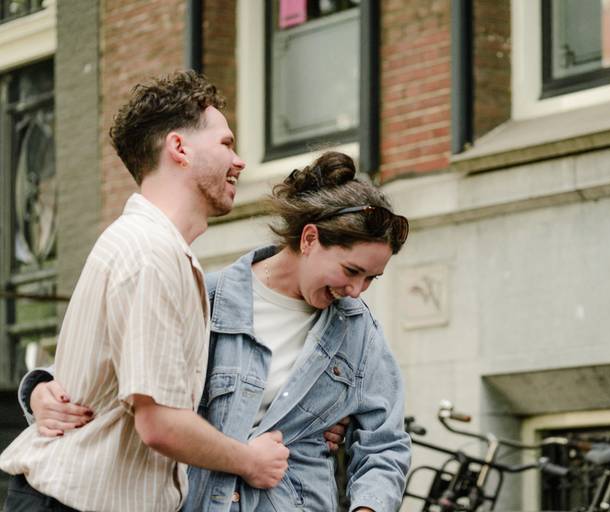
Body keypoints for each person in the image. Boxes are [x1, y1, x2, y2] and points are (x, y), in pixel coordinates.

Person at [26, 151, 412, 511]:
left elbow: (385, 443)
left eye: (371, 279)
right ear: (310, 239)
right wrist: (43, 391)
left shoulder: (358, 330)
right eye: (351, 271)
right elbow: (127, 380)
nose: (357, 290)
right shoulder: (205, 298)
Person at [0, 70, 293, 512]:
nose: (240, 162)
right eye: (226, 144)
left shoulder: (151, 247)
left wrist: (37, 388)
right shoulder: (149, 254)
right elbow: (160, 424)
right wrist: (250, 461)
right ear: (179, 148)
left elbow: (94, 380)